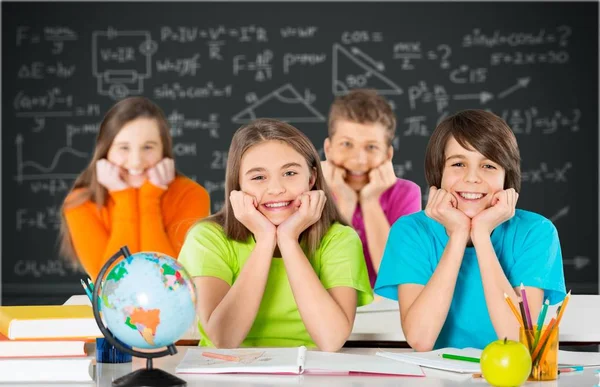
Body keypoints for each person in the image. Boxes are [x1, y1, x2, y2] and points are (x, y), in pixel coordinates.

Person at [375, 109, 566, 351]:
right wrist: (457, 235)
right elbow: (420, 339)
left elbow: (520, 342)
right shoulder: (411, 231)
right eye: (458, 164)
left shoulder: (536, 232)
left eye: (488, 165)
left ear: (507, 177)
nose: (472, 178)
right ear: (438, 173)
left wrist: (481, 236)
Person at [178, 118, 372, 351]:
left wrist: (289, 241)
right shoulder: (207, 238)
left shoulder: (339, 240)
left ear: (311, 179)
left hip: (310, 372)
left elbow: (331, 340)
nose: (276, 189)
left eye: (290, 173)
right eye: (258, 177)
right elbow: (224, 339)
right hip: (227, 373)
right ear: (238, 186)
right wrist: (265, 240)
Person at [59, 97, 210, 279]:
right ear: (106, 150)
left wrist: (149, 199)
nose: (136, 161)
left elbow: (168, 279)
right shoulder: (80, 203)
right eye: (124, 148)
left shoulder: (192, 195)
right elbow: (111, 281)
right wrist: (124, 198)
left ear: (164, 150)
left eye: (148, 147)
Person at [322, 89, 421, 287]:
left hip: (385, 309)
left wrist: (370, 201)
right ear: (328, 149)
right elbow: (320, 271)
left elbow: (394, 272)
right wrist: (345, 201)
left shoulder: (406, 193)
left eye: (371, 147)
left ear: (388, 155)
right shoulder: (311, 193)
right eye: (346, 144)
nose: (359, 160)